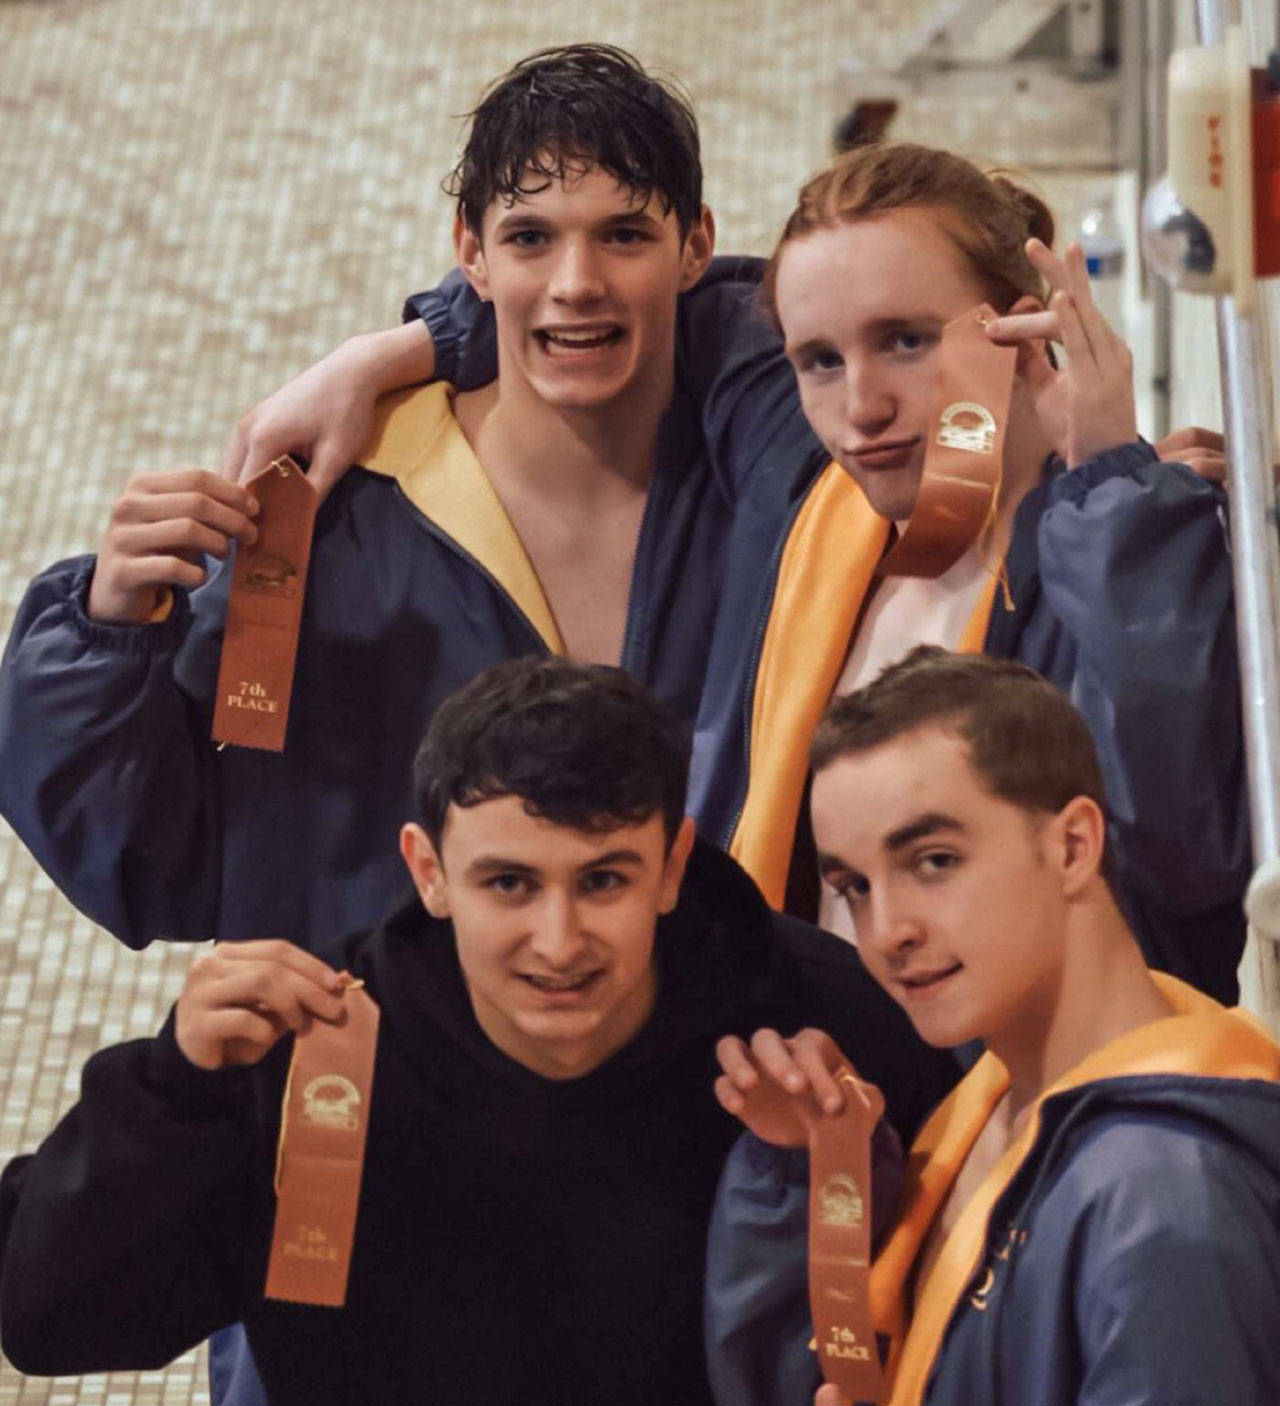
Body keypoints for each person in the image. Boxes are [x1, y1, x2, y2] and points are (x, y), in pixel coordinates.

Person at [0, 45, 755, 1406]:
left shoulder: (765, 478)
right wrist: (105, 630)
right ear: (467, 243)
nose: (576, 283)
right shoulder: (338, 517)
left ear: (693, 244)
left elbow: (840, 296)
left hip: (686, 1154)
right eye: (529, 238)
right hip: (370, 1179)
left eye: (624, 233)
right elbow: (148, 854)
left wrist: (420, 334)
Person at [0, 658, 954, 1406]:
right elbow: (51, 1318)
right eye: (509, 883)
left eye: (603, 880)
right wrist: (172, 1091)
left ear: (671, 865)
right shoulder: (308, 1058)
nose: (559, 941)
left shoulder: (823, 1031)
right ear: (429, 872)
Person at [236, 143, 1247, 1003]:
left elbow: (1189, 856)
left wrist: (1114, 486)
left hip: (1031, 1124)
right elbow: (647, 298)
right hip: (808, 1097)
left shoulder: (1126, 562)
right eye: (818, 360)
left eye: (905, 341)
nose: (861, 406)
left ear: (1027, 330)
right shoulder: (811, 509)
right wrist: (389, 353)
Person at [711, 647, 1280, 1406]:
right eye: (854, 886)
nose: (886, 929)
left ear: (1073, 844)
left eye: (932, 861)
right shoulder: (984, 1112)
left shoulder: (1162, 1186)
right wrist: (814, 1178)